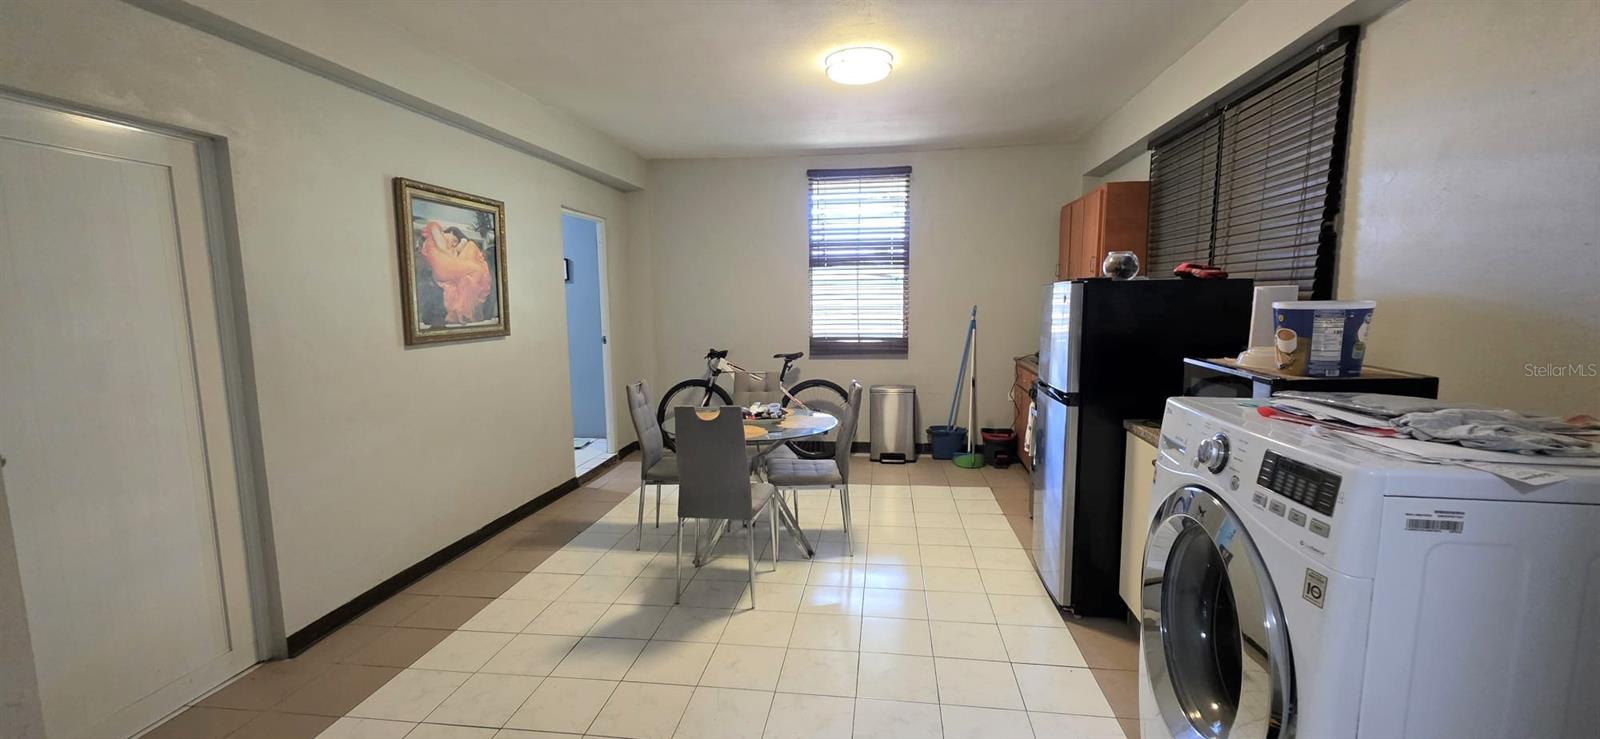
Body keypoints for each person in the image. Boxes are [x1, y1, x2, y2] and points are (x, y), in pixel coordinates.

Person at [418, 220, 493, 325]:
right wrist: (456, 250)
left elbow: (446, 250)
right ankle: (463, 310)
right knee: (477, 269)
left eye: (455, 243)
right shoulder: (434, 226)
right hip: (443, 265)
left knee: (469, 276)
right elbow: (442, 247)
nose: (454, 243)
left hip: (442, 268)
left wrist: (458, 246)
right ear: (451, 233)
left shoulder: (435, 243)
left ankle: (463, 308)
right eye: (455, 240)